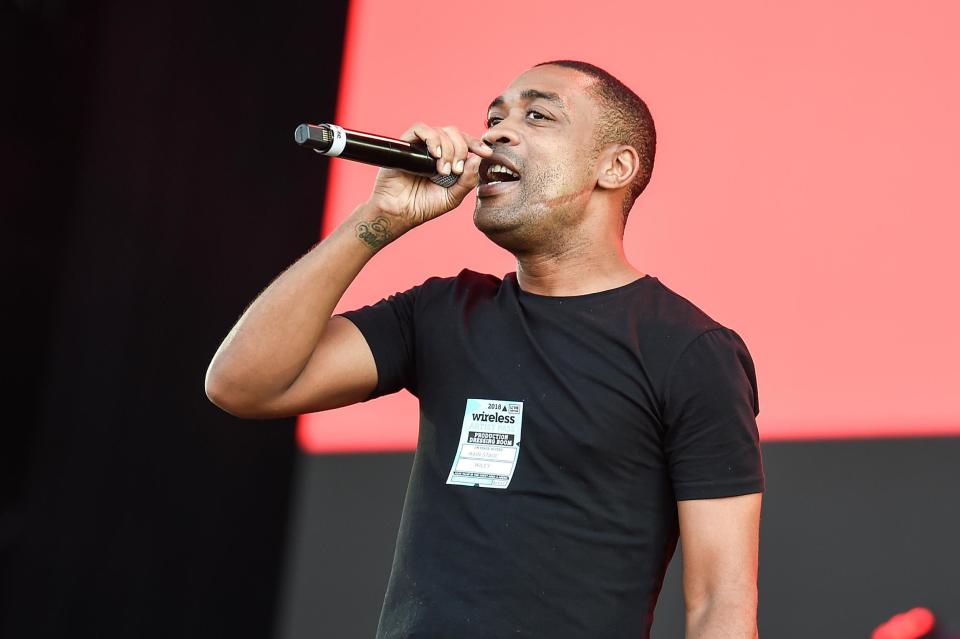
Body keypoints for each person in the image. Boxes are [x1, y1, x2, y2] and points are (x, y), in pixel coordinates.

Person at [206, 60, 764, 639]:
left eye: (537, 115)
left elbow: (720, 600)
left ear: (615, 166)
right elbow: (242, 383)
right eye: (493, 118)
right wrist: (378, 219)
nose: (495, 133)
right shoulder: (443, 311)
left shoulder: (690, 350)